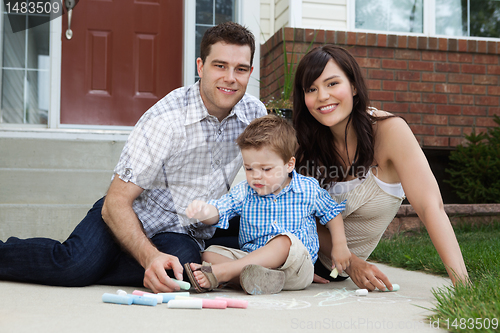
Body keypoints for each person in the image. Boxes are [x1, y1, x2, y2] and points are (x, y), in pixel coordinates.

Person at [0, 22, 267, 293]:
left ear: (250, 72)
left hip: (181, 232)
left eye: (240, 69)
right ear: (200, 67)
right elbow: (115, 203)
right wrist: (149, 257)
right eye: (220, 66)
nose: (230, 77)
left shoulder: (254, 115)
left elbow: (276, 174)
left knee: (184, 269)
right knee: (75, 266)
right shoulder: (166, 119)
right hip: (132, 214)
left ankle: (105, 264)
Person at [292, 45, 469, 291]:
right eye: (311, 89)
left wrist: (463, 286)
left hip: (325, 268)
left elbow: (431, 207)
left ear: (354, 86)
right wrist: (352, 263)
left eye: (332, 84)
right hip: (288, 253)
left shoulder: (390, 132)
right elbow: (298, 218)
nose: (322, 96)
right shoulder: (307, 144)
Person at [184, 115, 349, 295]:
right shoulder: (245, 191)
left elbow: (332, 213)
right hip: (252, 263)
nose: (256, 176)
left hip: (295, 265)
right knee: (209, 254)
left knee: (284, 241)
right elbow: (220, 209)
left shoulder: (307, 189)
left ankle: (226, 273)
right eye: (249, 169)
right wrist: (204, 211)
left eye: (266, 169)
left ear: (289, 164)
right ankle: (252, 279)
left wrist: (340, 245)